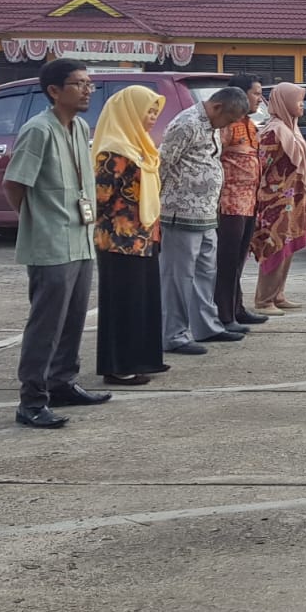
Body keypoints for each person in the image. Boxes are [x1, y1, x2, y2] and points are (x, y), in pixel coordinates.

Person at [2, 58, 111, 428]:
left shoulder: (79, 127)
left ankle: (62, 382)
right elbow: (14, 184)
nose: (88, 90)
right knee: (45, 323)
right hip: (51, 243)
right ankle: (31, 400)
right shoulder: (39, 130)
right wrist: (39, 221)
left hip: (80, 237)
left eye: (89, 83)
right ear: (54, 91)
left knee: (74, 319)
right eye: (79, 83)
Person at [158, 87, 251, 355]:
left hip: (206, 213)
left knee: (204, 273)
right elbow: (163, 164)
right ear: (218, 107)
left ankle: (205, 326)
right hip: (180, 212)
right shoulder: (186, 124)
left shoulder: (210, 125)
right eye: (230, 118)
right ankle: (174, 334)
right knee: (178, 276)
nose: (231, 125)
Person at [92, 85, 170, 386]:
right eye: (147, 111)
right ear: (129, 112)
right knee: (123, 303)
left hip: (143, 236)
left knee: (144, 301)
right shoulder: (114, 150)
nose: (151, 117)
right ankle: (118, 366)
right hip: (118, 240)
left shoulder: (141, 146)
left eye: (154, 112)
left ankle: (144, 357)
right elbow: (100, 197)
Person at [251, 83, 306, 315]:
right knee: (274, 246)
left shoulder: (291, 128)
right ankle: (264, 300)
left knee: (287, 246)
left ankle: (277, 294)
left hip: (293, 199)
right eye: (298, 100)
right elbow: (260, 166)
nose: (302, 104)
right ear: (285, 102)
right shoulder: (273, 131)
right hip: (275, 200)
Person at [214, 75, 268, 330]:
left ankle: (236, 308)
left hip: (249, 203)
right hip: (229, 203)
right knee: (226, 260)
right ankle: (224, 315)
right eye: (256, 93)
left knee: (238, 260)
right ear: (241, 94)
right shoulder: (228, 126)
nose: (260, 99)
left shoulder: (250, 125)